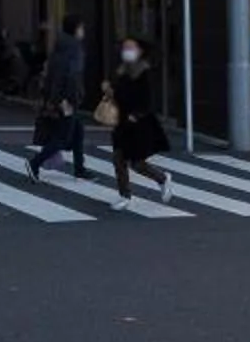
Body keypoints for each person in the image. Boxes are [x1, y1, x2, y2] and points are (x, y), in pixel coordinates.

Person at [105, 36, 172, 207]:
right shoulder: (121, 70)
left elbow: (148, 100)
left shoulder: (144, 71)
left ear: (140, 51)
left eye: (131, 47)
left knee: (137, 163)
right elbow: (119, 93)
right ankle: (125, 195)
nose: (126, 51)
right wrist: (110, 90)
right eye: (125, 47)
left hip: (139, 123)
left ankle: (162, 178)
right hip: (122, 121)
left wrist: (136, 115)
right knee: (118, 158)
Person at [28, 15, 92, 182]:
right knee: (63, 137)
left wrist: (51, 96)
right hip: (67, 99)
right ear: (76, 29)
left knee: (78, 131)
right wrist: (69, 98)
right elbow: (71, 76)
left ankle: (80, 168)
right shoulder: (75, 49)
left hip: (59, 96)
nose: (83, 31)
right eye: (81, 28)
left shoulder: (59, 45)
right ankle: (35, 163)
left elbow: (53, 73)